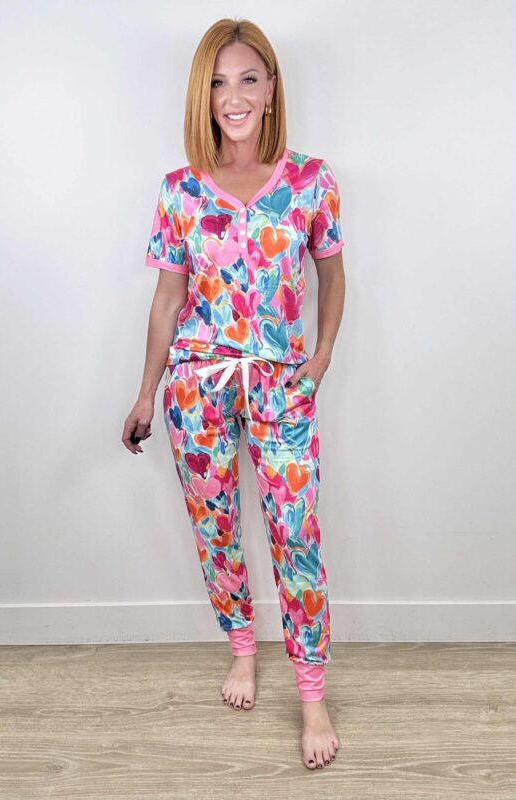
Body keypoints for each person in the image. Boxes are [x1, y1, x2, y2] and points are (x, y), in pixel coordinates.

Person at [122, 17, 345, 771]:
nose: (234, 96)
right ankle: (243, 648)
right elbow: (167, 300)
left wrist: (317, 360)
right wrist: (146, 392)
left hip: (282, 386)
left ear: (271, 88)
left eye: (249, 78)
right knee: (215, 528)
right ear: (204, 96)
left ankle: (311, 693)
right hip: (196, 387)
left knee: (296, 536)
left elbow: (332, 278)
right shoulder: (180, 190)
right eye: (218, 83)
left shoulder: (311, 181)